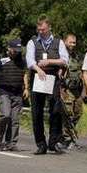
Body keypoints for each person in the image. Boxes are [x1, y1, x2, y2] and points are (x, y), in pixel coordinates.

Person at [25, 15, 69, 155]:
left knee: (55, 111)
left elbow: (64, 60)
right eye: (39, 29)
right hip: (37, 78)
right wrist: (38, 69)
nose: (41, 31)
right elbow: (30, 60)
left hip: (53, 78)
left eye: (43, 29)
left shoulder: (58, 42)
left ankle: (53, 142)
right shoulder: (32, 42)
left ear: (49, 27)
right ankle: (41, 144)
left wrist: (50, 62)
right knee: (37, 112)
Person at [0, 38, 28, 151]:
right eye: (14, 50)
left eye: (18, 50)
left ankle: (11, 143)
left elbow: (25, 73)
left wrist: (26, 88)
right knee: (5, 115)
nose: (16, 52)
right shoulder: (0, 58)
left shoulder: (21, 60)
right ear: (9, 48)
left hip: (17, 92)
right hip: (4, 91)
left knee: (14, 119)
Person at [60, 34, 84, 150]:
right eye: (70, 42)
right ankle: (68, 139)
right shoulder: (61, 55)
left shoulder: (76, 56)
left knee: (78, 112)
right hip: (65, 89)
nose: (73, 45)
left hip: (76, 90)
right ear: (65, 42)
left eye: (74, 43)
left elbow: (80, 72)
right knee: (67, 114)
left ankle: (69, 135)